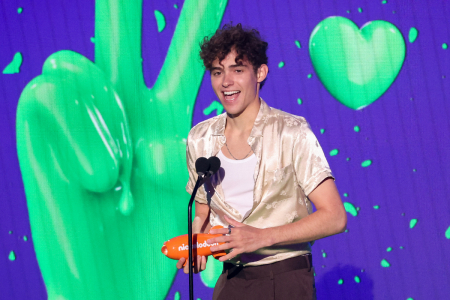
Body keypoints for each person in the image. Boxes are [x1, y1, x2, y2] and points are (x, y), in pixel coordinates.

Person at [177, 23, 347, 300]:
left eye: (237, 69)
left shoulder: (292, 132)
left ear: (260, 72)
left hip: (285, 278)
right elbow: (202, 212)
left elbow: (335, 216)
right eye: (218, 72)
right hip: (232, 279)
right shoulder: (200, 138)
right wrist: (199, 244)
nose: (226, 81)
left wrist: (263, 236)